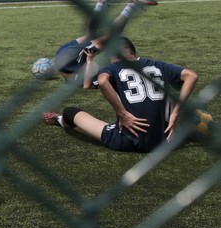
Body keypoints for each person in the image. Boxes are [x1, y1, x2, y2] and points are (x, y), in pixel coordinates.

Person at [43, 37, 198, 153]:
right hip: (165, 141)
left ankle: (60, 119)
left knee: (70, 111)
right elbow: (192, 76)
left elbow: (94, 84)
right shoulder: (159, 65)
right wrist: (175, 114)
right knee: (171, 87)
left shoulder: (114, 68)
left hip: (129, 140)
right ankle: (187, 126)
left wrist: (122, 113)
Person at [53, 0, 153, 83]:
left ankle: (128, 6)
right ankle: (104, 3)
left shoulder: (102, 76)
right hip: (62, 56)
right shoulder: (102, 76)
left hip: (71, 64)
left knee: (107, 37)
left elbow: (88, 84)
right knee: (92, 35)